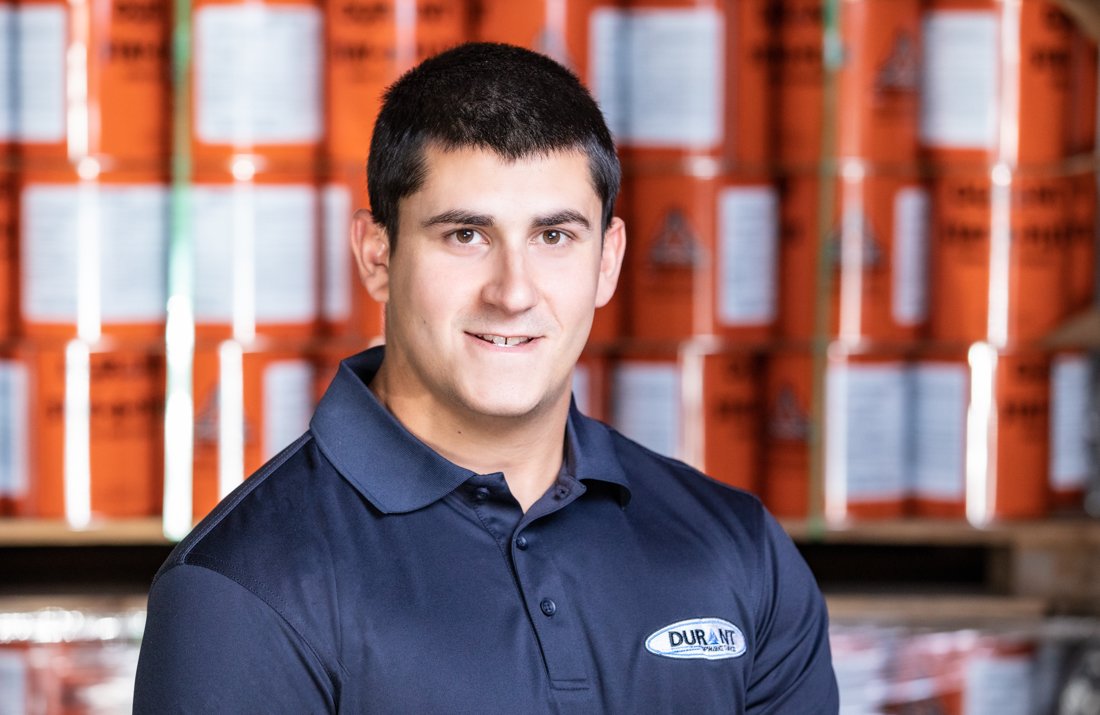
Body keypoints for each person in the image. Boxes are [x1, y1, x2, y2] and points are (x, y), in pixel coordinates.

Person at [134, 42, 838, 713]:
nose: (513, 291)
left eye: (554, 236)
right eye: (466, 235)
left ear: (608, 260)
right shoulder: (242, 589)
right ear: (377, 255)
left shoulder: (740, 551)